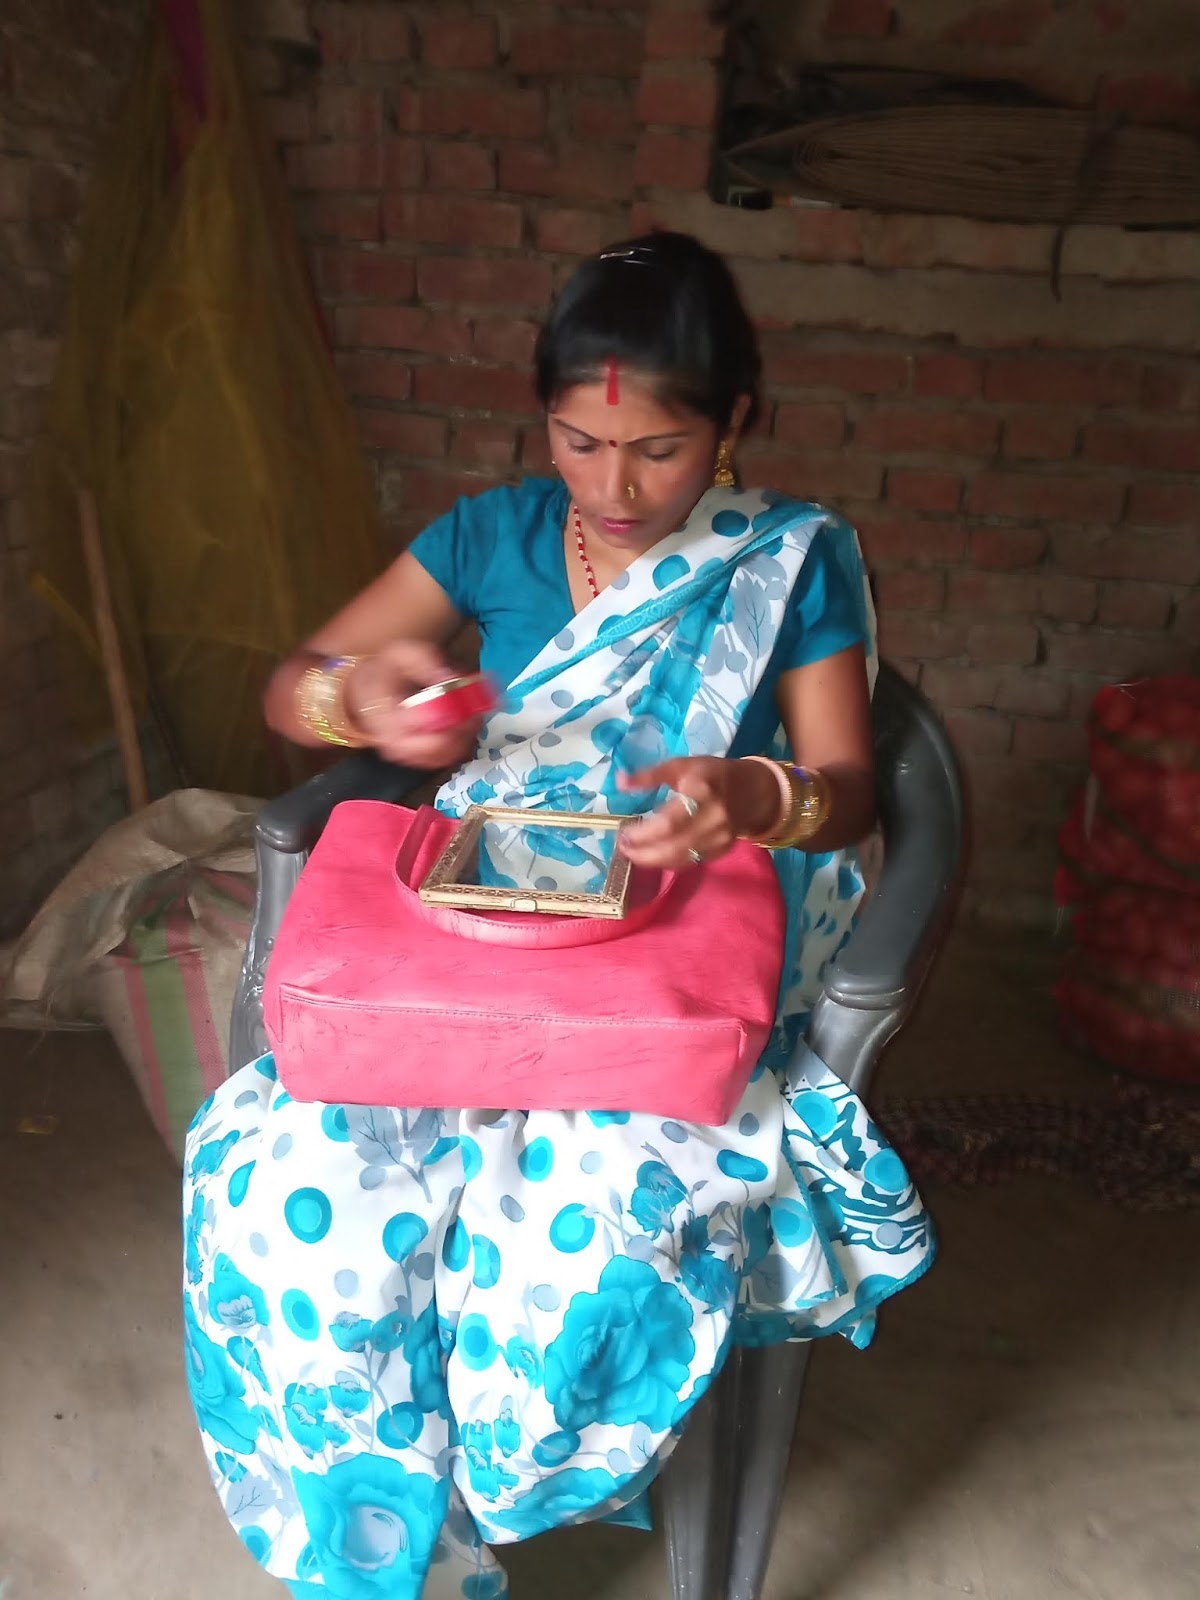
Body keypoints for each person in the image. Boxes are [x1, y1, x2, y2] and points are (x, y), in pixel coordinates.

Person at [182, 232, 934, 1600]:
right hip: (471, 932)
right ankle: (382, 1547)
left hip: (668, 954)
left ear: (734, 420)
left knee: (591, 1231)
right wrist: (365, 701)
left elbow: (847, 795)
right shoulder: (491, 535)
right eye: (579, 443)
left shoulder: (790, 560)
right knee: (290, 1182)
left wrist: (753, 795)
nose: (614, 487)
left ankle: (502, 1484)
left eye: (659, 448)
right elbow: (299, 683)